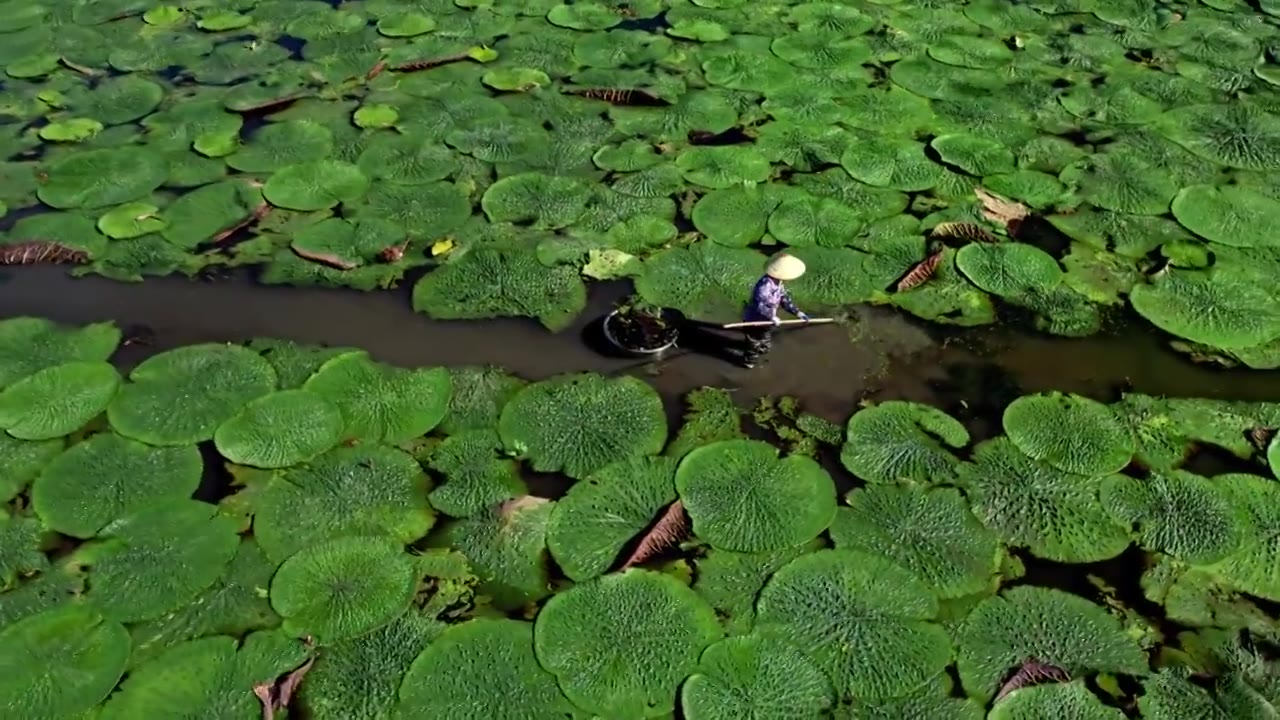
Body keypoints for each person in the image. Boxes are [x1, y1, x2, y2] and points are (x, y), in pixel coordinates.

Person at [740, 253, 809, 368]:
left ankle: (762, 349)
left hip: (768, 321)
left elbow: (784, 299)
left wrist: (797, 312)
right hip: (755, 320)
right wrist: (771, 317)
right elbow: (760, 306)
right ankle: (749, 362)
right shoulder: (764, 286)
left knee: (765, 341)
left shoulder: (779, 283)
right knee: (753, 343)